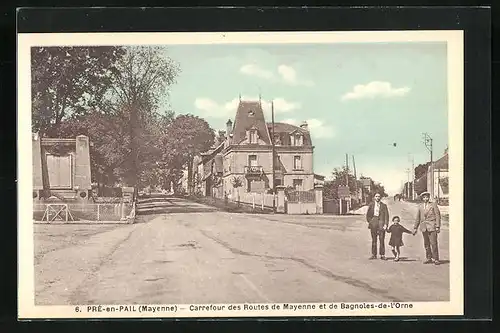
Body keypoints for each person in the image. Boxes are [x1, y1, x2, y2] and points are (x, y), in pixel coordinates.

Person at [413, 191, 442, 265]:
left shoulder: (433, 205)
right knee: (426, 243)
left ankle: (436, 259)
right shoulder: (420, 206)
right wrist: (415, 227)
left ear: (429, 198)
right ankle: (428, 258)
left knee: (434, 243)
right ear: (422, 198)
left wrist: (438, 226)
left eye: (427, 197)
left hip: (432, 226)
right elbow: (418, 218)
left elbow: (438, 216)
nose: (426, 198)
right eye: (424, 197)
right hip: (424, 227)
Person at [365, 192, 390, 260]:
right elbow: (368, 215)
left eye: (379, 196)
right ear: (374, 197)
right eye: (376, 196)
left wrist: (385, 224)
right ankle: (374, 254)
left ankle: (382, 254)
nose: (377, 198)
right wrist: (370, 222)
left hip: (381, 223)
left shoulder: (384, 205)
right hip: (373, 223)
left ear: (380, 198)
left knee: (381, 239)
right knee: (374, 240)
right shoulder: (371, 205)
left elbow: (386, 216)